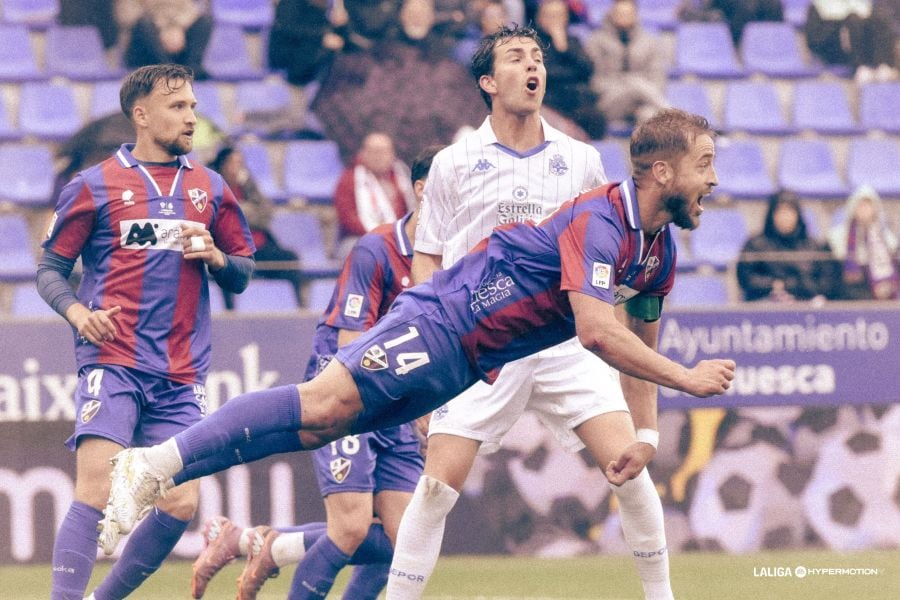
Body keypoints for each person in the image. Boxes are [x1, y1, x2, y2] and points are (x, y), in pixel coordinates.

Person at [95, 110, 736, 597]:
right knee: (322, 403)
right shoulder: (600, 221)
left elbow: (638, 343)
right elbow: (598, 331)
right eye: (705, 163)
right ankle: (153, 461)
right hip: (444, 320)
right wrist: (688, 377)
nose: (713, 178)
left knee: (321, 424)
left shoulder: (658, 250)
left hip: (468, 362)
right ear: (662, 172)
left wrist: (647, 432)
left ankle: (177, 479)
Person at [390, 24, 666, 600]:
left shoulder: (582, 159)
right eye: (516, 58)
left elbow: (604, 247)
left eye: (537, 57)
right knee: (437, 487)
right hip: (481, 343)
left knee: (631, 473)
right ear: (489, 81)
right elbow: (429, 262)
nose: (532, 66)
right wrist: (428, 361)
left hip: (564, 341)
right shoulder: (453, 162)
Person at [37, 64, 256, 600]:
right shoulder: (93, 186)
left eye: (193, 107)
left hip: (181, 373)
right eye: (178, 107)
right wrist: (77, 313)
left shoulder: (210, 187)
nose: (191, 117)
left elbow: (245, 271)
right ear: (141, 114)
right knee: (95, 487)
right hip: (112, 360)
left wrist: (218, 257)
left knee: (181, 505)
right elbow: (50, 269)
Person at [189, 145, 440, 600]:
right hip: (348, 388)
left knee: (404, 543)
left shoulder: (455, 259)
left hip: (396, 398)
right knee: (349, 526)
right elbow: (350, 347)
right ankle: (263, 544)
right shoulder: (377, 248)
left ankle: (254, 542)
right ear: (422, 190)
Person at [208, 145, 304, 310]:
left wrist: (243, 209)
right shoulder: (213, 186)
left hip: (258, 246)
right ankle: (230, 314)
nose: (238, 167)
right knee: (223, 269)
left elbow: (266, 214)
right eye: (233, 163)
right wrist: (246, 211)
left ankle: (299, 309)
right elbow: (222, 219)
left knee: (289, 259)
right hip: (229, 249)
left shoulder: (247, 185)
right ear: (223, 164)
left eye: (240, 163)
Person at [736, 191, 840, 302]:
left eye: (790, 211)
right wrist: (775, 284)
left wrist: (800, 284)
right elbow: (746, 279)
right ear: (771, 215)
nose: (785, 217)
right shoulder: (756, 245)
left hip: (806, 305)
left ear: (798, 215)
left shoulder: (814, 246)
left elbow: (827, 283)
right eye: (780, 211)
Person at [585, 0, 667, 128]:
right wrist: (625, 84)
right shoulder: (596, 41)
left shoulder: (650, 42)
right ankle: (669, 111)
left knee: (649, 116)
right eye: (620, 13)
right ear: (612, 13)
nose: (624, 17)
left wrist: (635, 85)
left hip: (643, 100)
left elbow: (657, 78)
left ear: (636, 15)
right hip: (609, 101)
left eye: (628, 13)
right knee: (635, 83)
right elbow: (594, 81)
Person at [333, 131, 417, 254]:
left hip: (399, 237)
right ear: (362, 154)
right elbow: (348, 218)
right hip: (359, 237)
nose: (378, 157)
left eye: (383, 152)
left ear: (392, 154)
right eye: (373, 152)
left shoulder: (402, 178)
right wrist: (380, 236)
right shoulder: (350, 180)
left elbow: (412, 212)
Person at [533, 0, 607, 139]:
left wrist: (564, 48)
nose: (556, 21)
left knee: (597, 118)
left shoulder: (573, 41)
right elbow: (545, 74)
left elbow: (588, 70)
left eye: (559, 15)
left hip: (578, 99)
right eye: (551, 16)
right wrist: (571, 73)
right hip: (549, 98)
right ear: (540, 18)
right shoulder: (533, 43)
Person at [827, 184, 899, 300]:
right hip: (851, 292)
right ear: (853, 207)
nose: (864, 209)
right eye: (861, 205)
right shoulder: (838, 236)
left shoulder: (886, 237)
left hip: (881, 294)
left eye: (868, 206)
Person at [804, 0, 898, 83]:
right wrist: (839, 30)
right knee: (853, 19)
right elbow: (814, 40)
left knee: (878, 18)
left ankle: (883, 65)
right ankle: (860, 67)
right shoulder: (819, 6)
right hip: (835, 50)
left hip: (864, 47)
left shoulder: (860, 4)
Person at [122, 0, 213, 79]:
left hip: (176, 38)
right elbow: (127, 14)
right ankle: (166, 69)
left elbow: (190, 11)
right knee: (143, 24)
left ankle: (191, 66)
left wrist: (178, 27)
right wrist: (164, 28)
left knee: (205, 20)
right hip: (146, 47)